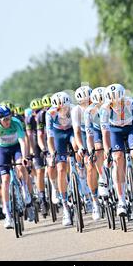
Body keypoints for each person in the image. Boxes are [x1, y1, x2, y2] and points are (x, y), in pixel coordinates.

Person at [100, 84, 133, 217]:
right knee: (118, 158)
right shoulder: (104, 109)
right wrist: (106, 149)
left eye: (120, 101)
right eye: (113, 103)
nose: (117, 105)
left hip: (130, 129)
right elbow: (105, 132)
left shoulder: (131, 103)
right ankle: (121, 200)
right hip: (114, 131)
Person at [0, 104, 34, 229]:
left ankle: (25, 188)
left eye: (9, 118)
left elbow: (23, 140)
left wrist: (25, 156)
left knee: (20, 166)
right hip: (3, 150)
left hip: (16, 148)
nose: (8, 121)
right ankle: (8, 215)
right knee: (5, 180)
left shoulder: (16, 122)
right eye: (5, 119)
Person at [46, 92, 76, 226]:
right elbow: (50, 137)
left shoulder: (74, 110)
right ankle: (65, 208)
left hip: (72, 132)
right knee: (61, 168)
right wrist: (53, 153)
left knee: (77, 146)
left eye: (65, 108)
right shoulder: (50, 114)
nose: (63, 111)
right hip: (58, 135)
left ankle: (82, 179)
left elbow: (80, 131)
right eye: (59, 109)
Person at [72, 86, 99, 220]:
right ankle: (94, 200)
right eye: (84, 102)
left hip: (97, 132)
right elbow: (77, 132)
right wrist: (81, 147)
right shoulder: (76, 111)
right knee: (89, 166)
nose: (87, 104)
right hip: (83, 134)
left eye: (89, 101)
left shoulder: (97, 105)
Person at [84, 87, 109, 198]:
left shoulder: (111, 106)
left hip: (110, 128)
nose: (101, 106)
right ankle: (102, 176)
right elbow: (89, 134)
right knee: (98, 148)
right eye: (98, 104)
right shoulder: (88, 111)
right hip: (97, 130)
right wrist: (91, 151)